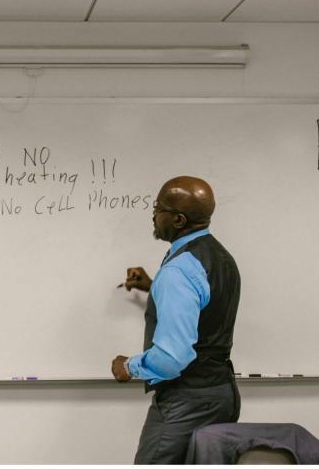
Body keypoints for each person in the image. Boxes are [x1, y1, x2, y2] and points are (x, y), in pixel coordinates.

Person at [111, 175, 241, 464]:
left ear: (179, 220)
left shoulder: (178, 272)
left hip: (187, 402)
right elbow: (204, 302)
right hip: (222, 394)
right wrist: (153, 286)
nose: (154, 215)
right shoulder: (221, 257)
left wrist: (128, 367)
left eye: (159, 208)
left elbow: (172, 359)